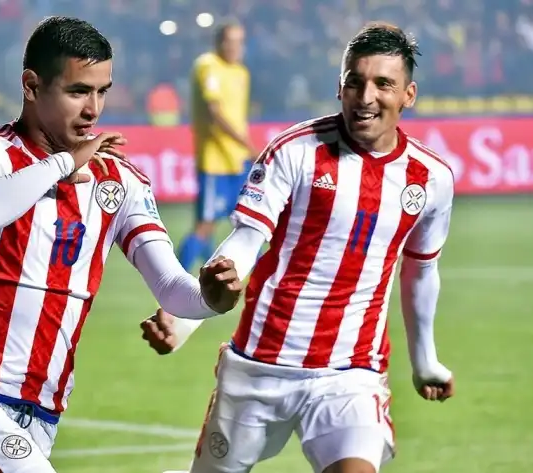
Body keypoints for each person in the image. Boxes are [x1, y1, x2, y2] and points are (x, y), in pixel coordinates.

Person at [0, 16, 244, 473]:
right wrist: (65, 162)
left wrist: (211, 300)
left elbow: (170, 287)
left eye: (102, 91)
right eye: (78, 91)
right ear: (31, 86)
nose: (93, 109)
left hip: (40, 410)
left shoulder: (119, 180)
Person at [142, 23, 456, 473]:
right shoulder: (295, 150)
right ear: (340, 87)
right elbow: (245, 242)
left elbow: (421, 270)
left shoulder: (431, 178)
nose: (366, 97)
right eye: (355, 82)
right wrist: (191, 312)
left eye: (383, 84)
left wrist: (425, 361)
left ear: (408, 94)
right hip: (259, 365)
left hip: (351, 373)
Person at [177, 19, 257, 272]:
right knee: (205, 226)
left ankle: (247, 284)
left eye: (239, 42)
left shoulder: (241, 73)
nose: (235, 47)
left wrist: (246, 150)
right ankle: (172, 280)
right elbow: (215, 112)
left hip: (239, 162)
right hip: (215, 162)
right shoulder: (208, 65)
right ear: (218, 42)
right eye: (230, 41)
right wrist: (249, 144)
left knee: (248, 225)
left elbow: (237, 117)